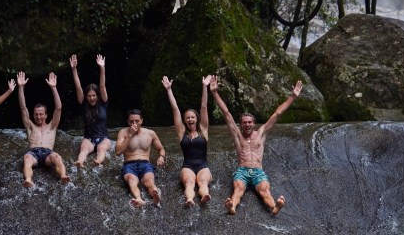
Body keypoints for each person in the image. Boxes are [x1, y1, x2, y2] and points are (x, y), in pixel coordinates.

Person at [209, 76, 303, 215]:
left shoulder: (261, 133)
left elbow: (277, 114)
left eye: (249, 122)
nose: (247, 124)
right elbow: (226, 113)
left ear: (254, 124)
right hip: (242, 171)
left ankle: (274, 207)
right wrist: (215, 93)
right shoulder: (237, 135)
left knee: (264, 190)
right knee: (239, 189)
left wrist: (293, 97)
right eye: (244, 122)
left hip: (258, 172)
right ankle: (232, 206)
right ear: (240, 124)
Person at [162, 74, 213, 207]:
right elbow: (175, 109)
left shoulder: (203, 130)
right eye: (187, 118)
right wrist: (169, 90)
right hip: (188, 166)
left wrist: (204, 87)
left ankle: (204, 195)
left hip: (203, 165)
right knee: (190, 182)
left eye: (192, 117)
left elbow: (204, 107)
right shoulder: (181, 133)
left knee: (202, 182)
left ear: (197, 119)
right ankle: (189, 199)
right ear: (184, 121)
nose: (190, 119)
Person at [17, 71, 70, 187]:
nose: (38, 116)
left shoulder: (52, 126)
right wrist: (21, 87)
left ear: (46, 115)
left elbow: (59, 108)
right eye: (36, 114)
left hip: (47, 154)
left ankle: (63, 176)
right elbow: (23, 108)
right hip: (33, 153)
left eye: (41, 114)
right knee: (27, 158)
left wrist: (54, 88)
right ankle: (28, 180)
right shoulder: (30, 126)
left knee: (57, 157)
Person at [115, 109, 166, 207]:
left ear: (141, 120)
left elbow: (161, 149)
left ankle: (155, 195)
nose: (134, 124)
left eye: (137, 121)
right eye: (131, 121)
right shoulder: (123, 132)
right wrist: (129, 136)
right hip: (129, 165)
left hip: (145, 164)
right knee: (132, 180)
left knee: (149, 180)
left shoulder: (150, 133)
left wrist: (161, 157)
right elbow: (118, 152)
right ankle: (138, 199)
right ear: (127, 122)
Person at [70, 53, 111, 167]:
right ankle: (80, 161)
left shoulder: (103, 102)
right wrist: (74, 69)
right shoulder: (84, 104)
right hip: (89, 138)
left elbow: (102, 86)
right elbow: (78, 87)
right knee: (83, 149)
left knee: (101, 149)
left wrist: (102, 68)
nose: (91, 98)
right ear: (86, 97)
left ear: (97, 96)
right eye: (89, 96)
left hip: (104, 138)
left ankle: (98, 161)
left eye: (93, 95)